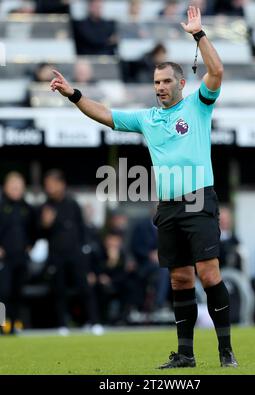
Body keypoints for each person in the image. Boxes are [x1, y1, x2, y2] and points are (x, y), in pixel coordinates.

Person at [50, 6, 237, 368]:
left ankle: (225, 349)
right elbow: (105, 114)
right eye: (156, 83)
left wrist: (199, 35)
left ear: (181, 83)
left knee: (209, 273)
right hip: (167, 207)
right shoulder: (147, 119)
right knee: (180, 280)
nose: (160, 88)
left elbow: (216, 71)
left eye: (166, 82)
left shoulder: (198, 106)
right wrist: (73, 95)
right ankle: (185, 354)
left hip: (199, 200)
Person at [38, 170, 102, 335]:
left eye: (52, 184)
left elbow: (82, 230)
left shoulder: (72, 204)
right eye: (47, 185)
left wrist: (85, 254)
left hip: (76, 254)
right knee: (60, 290)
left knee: (85, 288)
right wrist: (45, 224)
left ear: (61, 184)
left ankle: (94, 322)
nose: (49, 188)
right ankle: (62, 324)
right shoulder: (45, 206)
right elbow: (41, 234)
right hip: (56, 255)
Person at [0, 172, 36, 334]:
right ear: (6, 187)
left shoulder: (26, 208)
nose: (16, 190)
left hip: (21, 257)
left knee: (17, 292)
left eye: (19, 187)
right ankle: (1, 324)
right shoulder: (1, 206)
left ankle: (14, 325)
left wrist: (30, 244)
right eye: (13, 186)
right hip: (4, 258)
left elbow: (35, 230)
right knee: (3, 292)